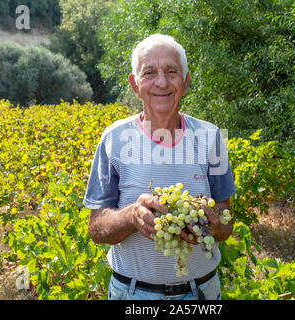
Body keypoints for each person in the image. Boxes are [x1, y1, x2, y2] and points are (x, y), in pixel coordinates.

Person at [83, 34, 237, 300]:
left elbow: (227, 220)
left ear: (186, 82)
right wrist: (132, 215)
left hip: (201, 292)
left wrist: (210, 224)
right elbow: (96, 229)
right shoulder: (114, 139)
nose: (162, 82)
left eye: (172, 72)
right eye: (150, 73)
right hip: (133, 294)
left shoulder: (211, 137)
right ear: (135, 84)